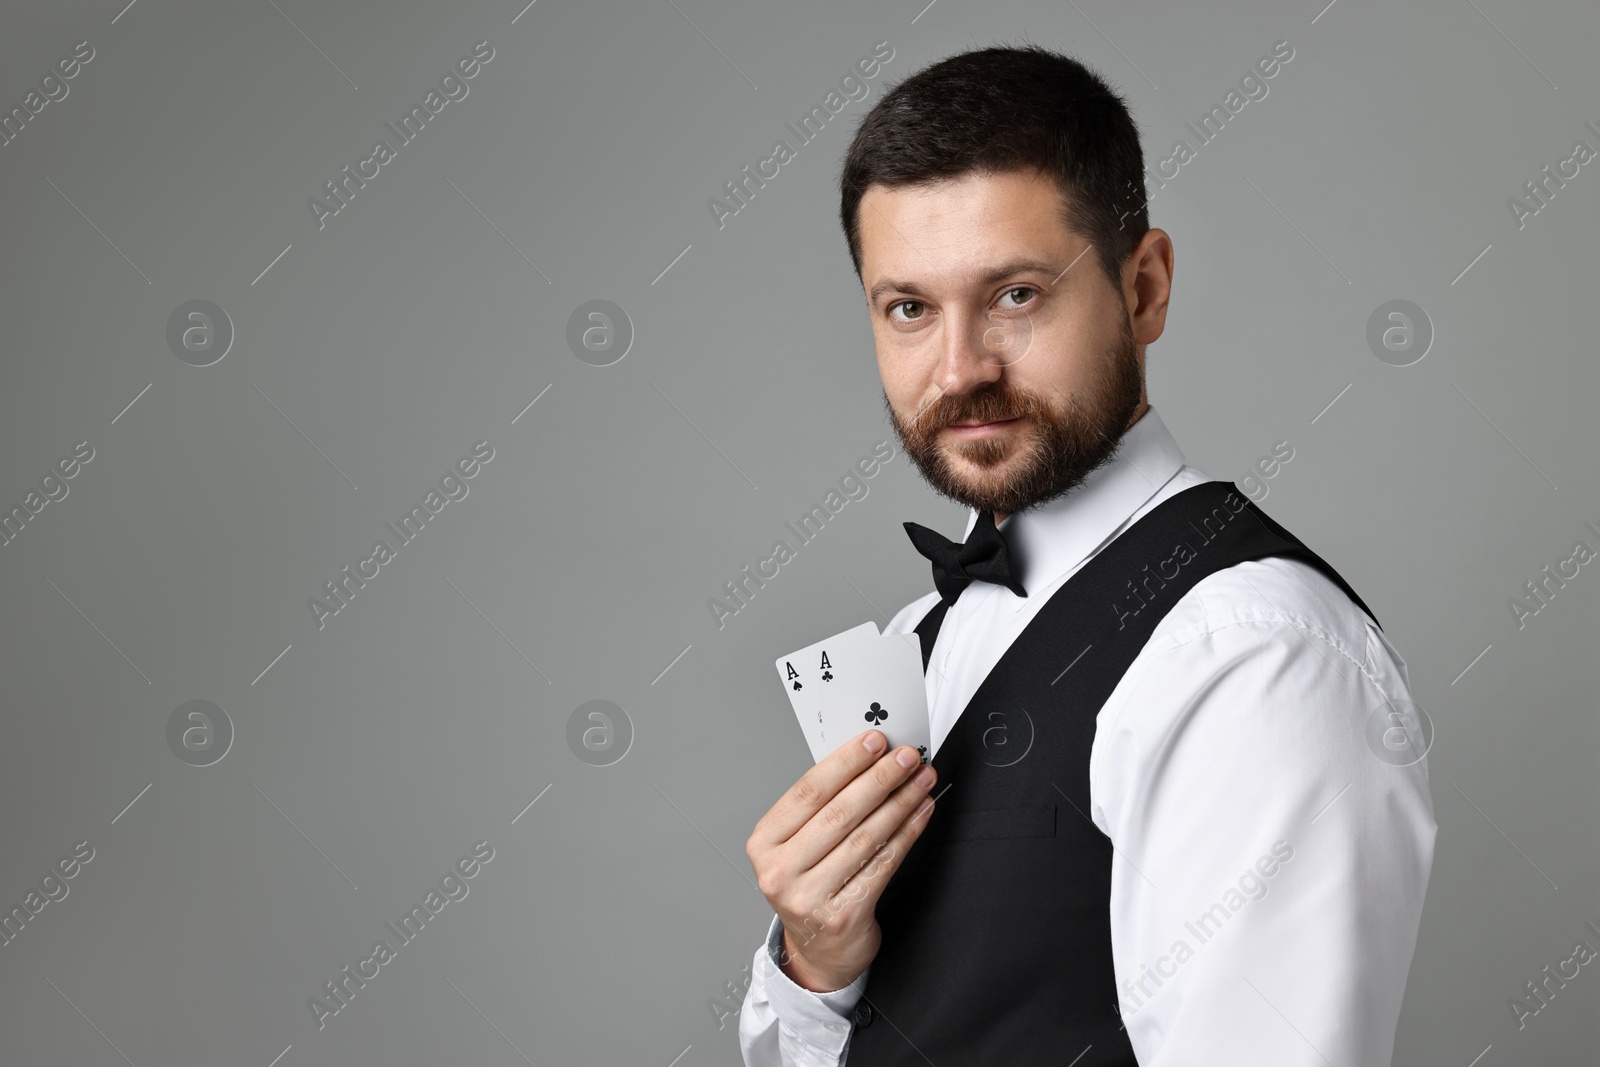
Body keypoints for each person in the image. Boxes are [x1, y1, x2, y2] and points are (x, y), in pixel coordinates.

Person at [738, 42, 1436, 1067]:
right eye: (909, 308)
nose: (959, 368)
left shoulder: (1252, 658)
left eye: (1016, 294)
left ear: (1143, 286)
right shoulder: (920, 631)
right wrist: (817, 961)